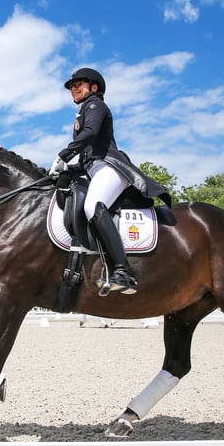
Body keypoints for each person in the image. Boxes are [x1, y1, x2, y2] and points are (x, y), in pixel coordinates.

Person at [48, 67, 141, 294]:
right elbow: (89, 154)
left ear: (94, 87)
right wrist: (66, 170)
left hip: (112, 167)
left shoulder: (95, 106)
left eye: (78, 84)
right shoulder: (82, 113)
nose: (74, 89)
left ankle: (123, 270)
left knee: (92, 206)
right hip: (95, 168)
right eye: (72, 86)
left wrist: (64, 155)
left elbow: (89, 134)